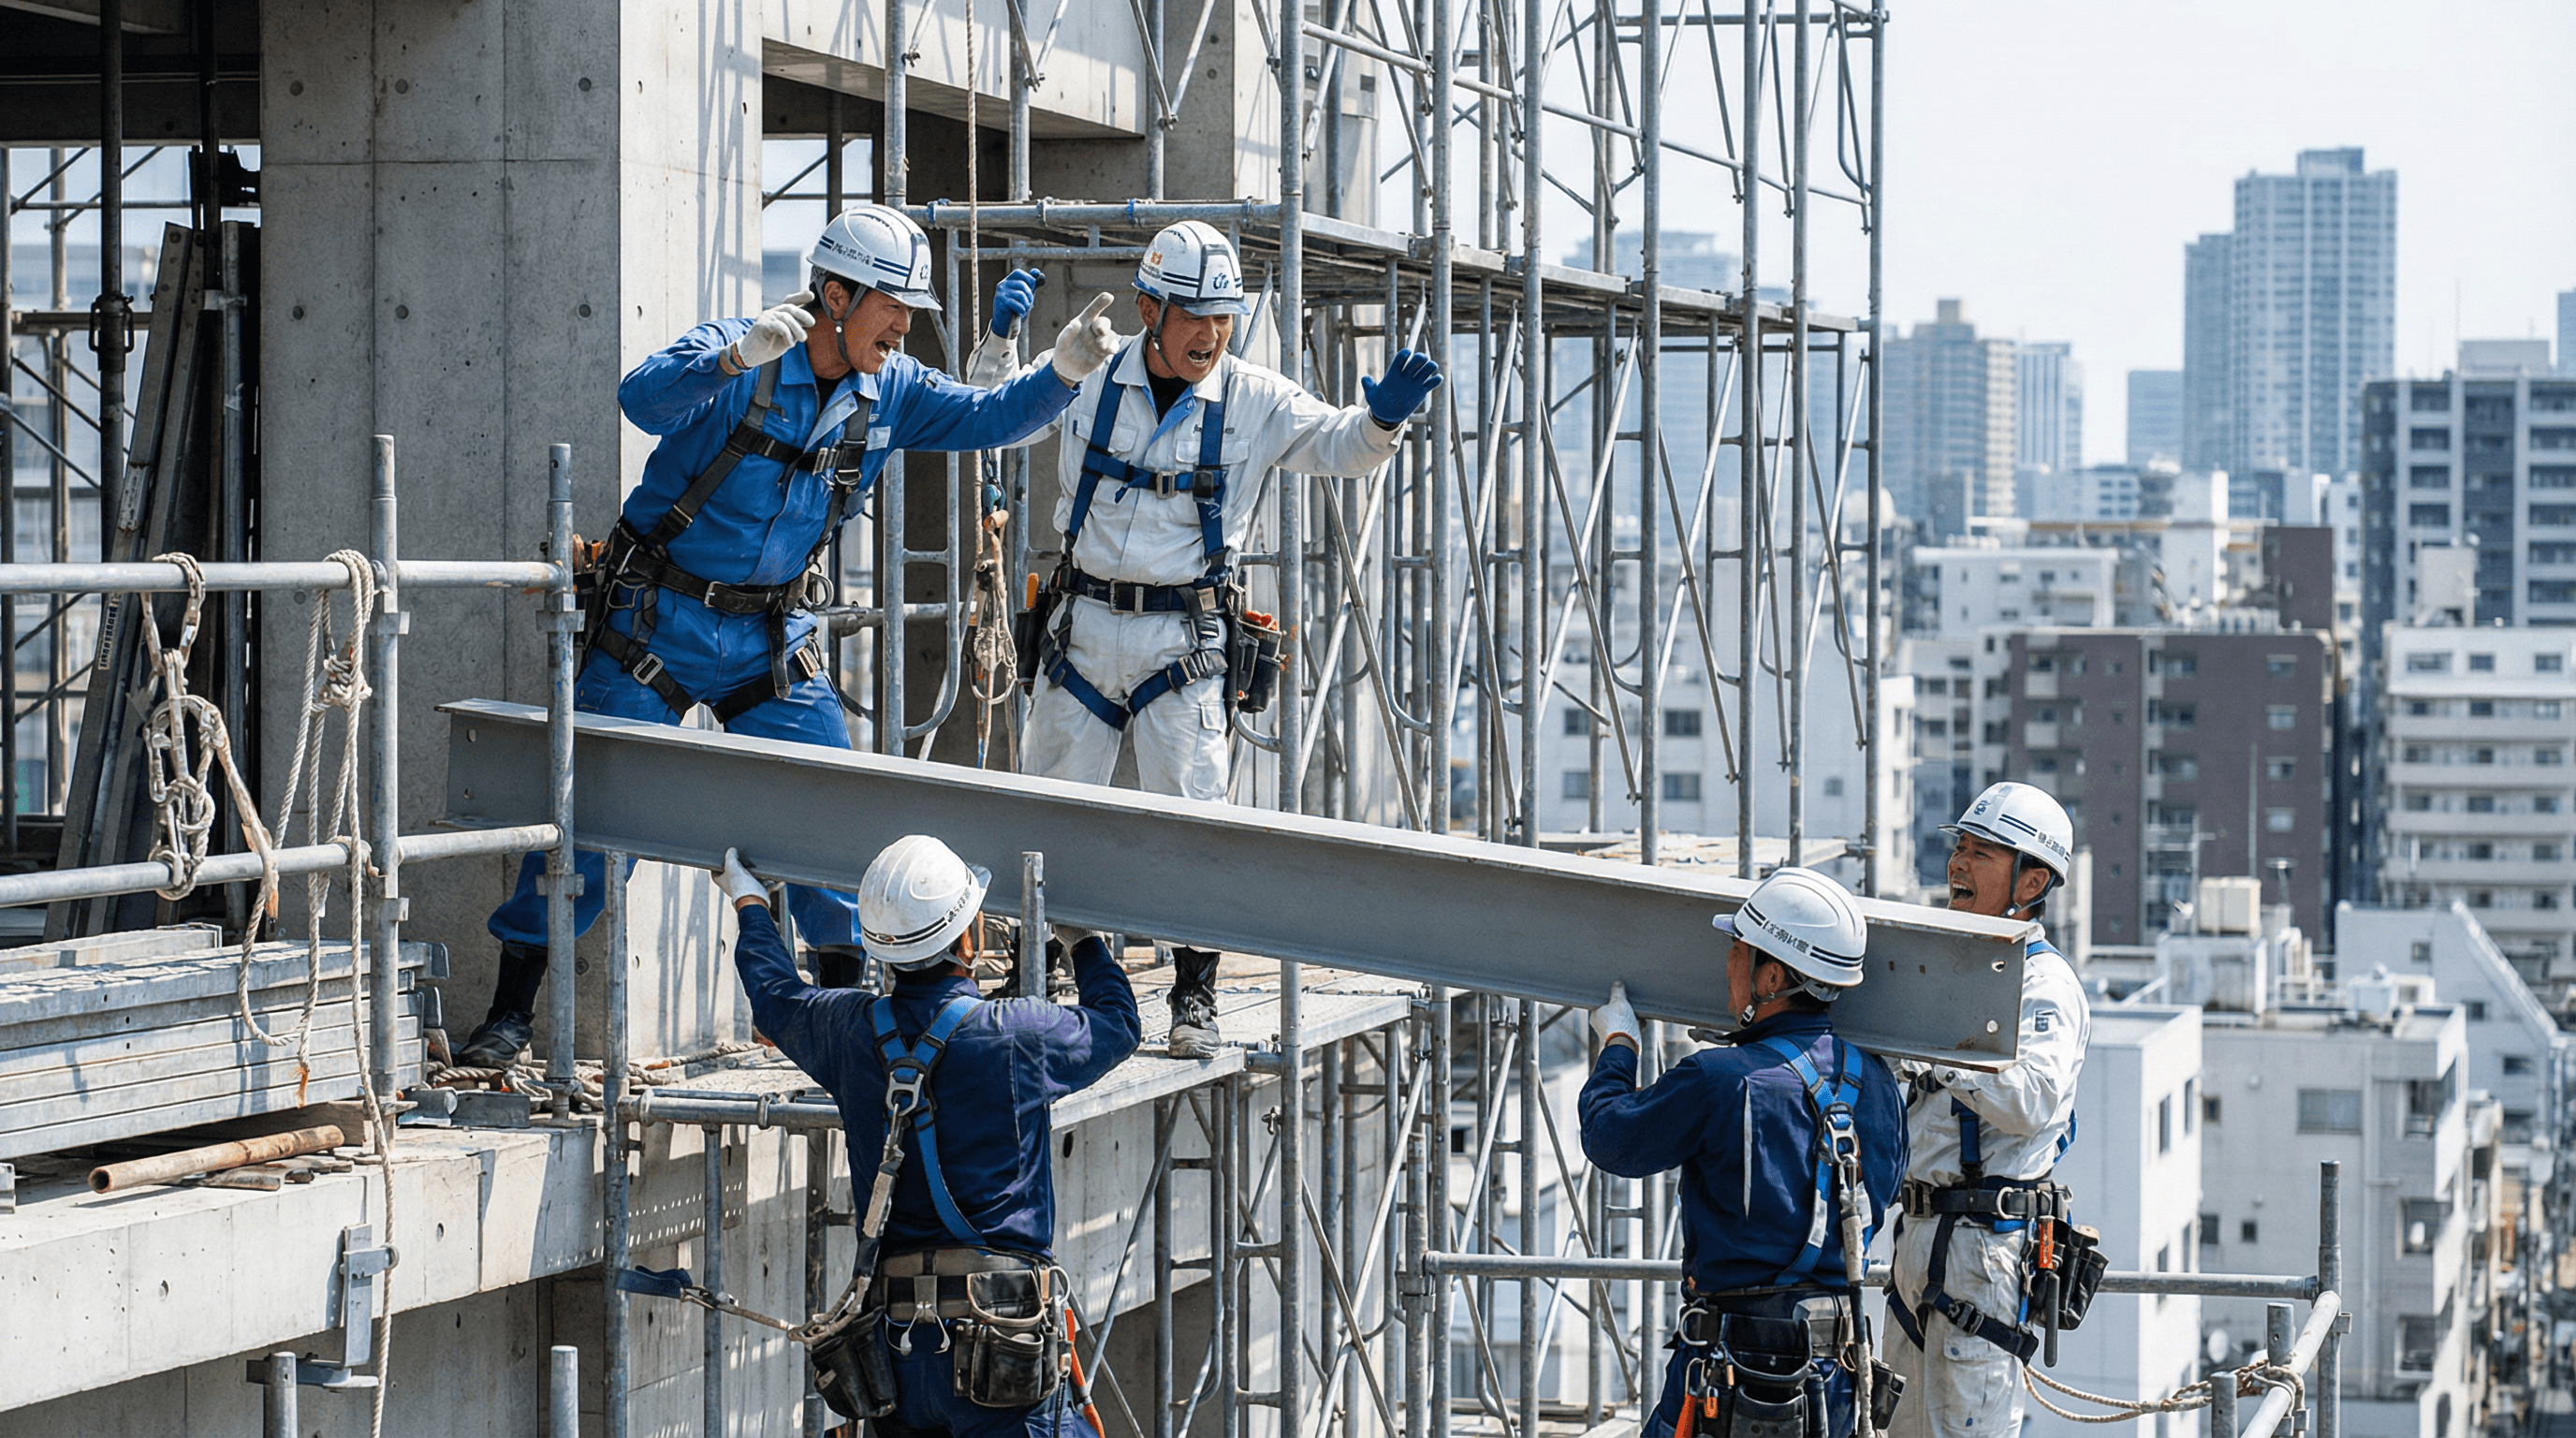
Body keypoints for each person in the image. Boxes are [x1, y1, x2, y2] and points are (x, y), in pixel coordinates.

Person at [455, 204, 1123, 1066]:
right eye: (891, 304)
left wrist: (1060, 374)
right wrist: (734, 358)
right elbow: (640, 397)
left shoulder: (895, 389)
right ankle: (508, 1017)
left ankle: (845, 1027)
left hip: (770, 634)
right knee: (589, 823)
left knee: (828, 825)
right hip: (657, 622)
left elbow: (988, 417)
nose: (903, 325)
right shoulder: (749, 354)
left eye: (911, 311)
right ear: (836, 294)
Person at [965, 219, 1443, 1057]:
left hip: (1181, 641)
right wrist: (1002, 340)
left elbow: (1340, 446)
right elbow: (999, 418)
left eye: (1223, 316)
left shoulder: (1253, 398)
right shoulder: (1087, 371)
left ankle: (1193, 995)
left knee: (1190, 816)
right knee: (1046, 805)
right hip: (1082, 629)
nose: (1210, 334)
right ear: (1149, 308)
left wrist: (1383, 423)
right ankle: (1037, 973)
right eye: (1194, 314)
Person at [717, 836, 1138, 1435]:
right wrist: (1085, 944)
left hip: (897, 1352)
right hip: (1003, 1340)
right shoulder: (1013, 1034)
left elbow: (776, 995)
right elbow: (1118, 1023)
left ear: (883, 952)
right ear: (970, 940)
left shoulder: (848, 1029)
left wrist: (751, 906)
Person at [1581, 867, 1909, 1438]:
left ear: (1771, 975)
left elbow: (1612, 1138)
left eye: (1739, 950)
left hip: (1730, 1372)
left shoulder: (1719, 1079)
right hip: (1832, 1380)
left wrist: (1619, 1046)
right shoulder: (1880, 1085)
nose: (1728, 964)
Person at [1885, 781, 2093, 1438]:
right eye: (1960, 849)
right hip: (1919, 1235)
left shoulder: (2043, 984)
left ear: (2031, 884)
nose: (1957, 866)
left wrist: (1931, 1057)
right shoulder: (1956, 968)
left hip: (1980, 1250)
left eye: (1981, 854)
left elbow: (2030, 1099)